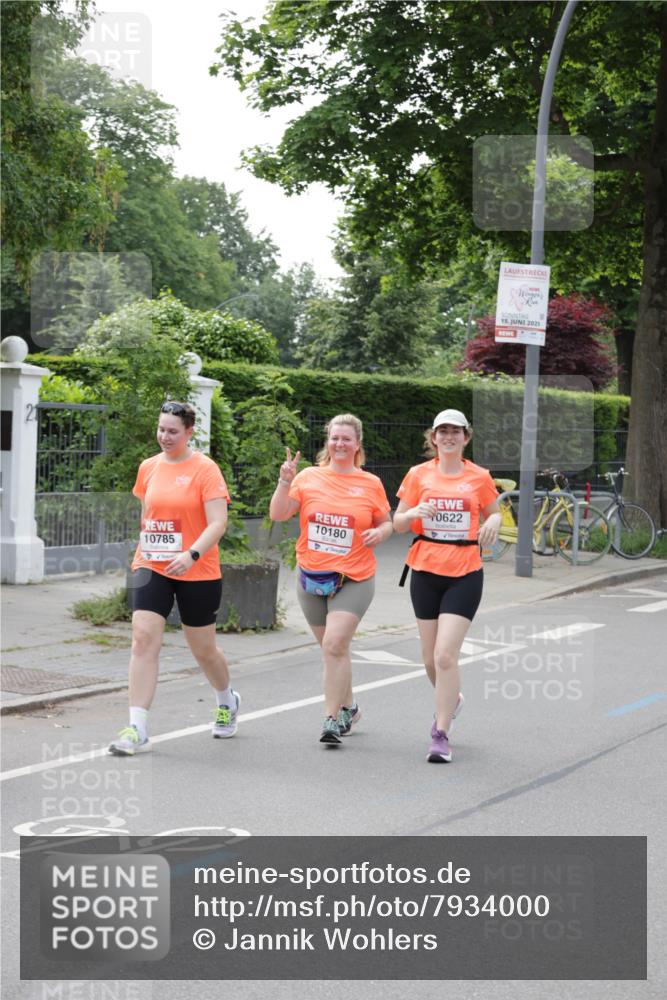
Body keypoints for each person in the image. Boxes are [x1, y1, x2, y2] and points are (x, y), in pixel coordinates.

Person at [108, 401, 240, 755]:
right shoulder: (148, 467)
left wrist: (191, 553)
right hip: (151, 565)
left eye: (172, 431)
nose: (164, 436)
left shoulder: (205, 469)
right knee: (143, 638)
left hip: (196, 568)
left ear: (189, 432)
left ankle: (226, 700)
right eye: (161, 429)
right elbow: (148, 513)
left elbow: (218, 522)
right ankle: (137, 727)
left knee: (204, 650)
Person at [270, 414, 392, 746]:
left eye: (346, 439)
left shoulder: (370, 483)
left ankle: (331, 718)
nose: (339, 444)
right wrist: (284, 481)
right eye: (334, 438)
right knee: (332, 651)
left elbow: (387, 522)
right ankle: (350, 707)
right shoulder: (308, 477)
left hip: (354, 576)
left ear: (357, 444)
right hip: (312, 574)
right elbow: (278, 514)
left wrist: (378, 533)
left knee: (334, 645)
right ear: (328, 441)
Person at [393, 409, 501, 764]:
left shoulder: (479, 476)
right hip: (425, 570)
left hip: (465, 571)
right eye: (443, 432)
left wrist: (494, 523)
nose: (449, 437)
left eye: (456, 431)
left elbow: (496, 511)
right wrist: (413, 515)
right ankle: (451, 700)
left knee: (444, 656)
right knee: (428, 660)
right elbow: (398, 521)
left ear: (466, 437)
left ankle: (440, 734)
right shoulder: (417, 475)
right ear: (433, 437)